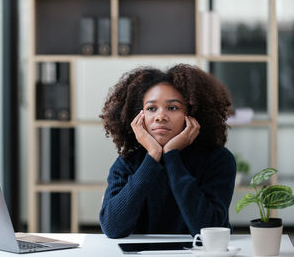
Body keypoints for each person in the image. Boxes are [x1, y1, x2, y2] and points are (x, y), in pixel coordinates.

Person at [99, 64, 236, 238]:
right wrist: (153, 157)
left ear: (193, 114)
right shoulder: (128, 162)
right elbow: (112, 227)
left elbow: (208, 229)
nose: (160, 116)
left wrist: (172, 156)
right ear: (138, 118)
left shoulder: (218, 160)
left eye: (172, 108)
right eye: (151, 108)